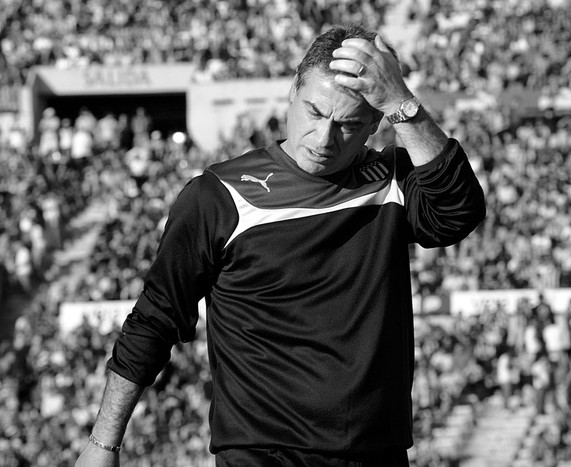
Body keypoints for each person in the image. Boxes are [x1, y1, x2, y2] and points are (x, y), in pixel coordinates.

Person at [76, 24, 485, 467]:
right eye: (314, 112)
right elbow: (154, 318)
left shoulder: (393, 180)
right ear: (292, 92)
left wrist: (403, 103)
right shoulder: (219, 194)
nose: (324, 138)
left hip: (376, 453)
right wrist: (103, 445)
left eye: (347, 124)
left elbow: (458, 214)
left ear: (374, 122)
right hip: (263, 454)